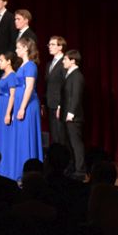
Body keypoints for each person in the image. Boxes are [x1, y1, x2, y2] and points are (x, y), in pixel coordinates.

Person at [14, 38, 43, 177]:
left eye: (18, 47)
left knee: (27, 136)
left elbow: (29, 87)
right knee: (21, 137)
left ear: (26, 48)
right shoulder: (22, 65)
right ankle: (22, 169)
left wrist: (22, 107)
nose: (16, 50)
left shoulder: (30, 65)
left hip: (28, 104)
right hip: (20, 102)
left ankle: (31, 173)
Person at [58, 49, 85, 179]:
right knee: (68, 143)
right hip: (66, 115)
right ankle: (73, 167)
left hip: (73, 117)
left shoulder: (77, 76)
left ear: (73, 60)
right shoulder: (68, 74)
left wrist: (71, 113)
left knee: (76, 144)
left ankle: (80, 171)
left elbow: (76, 96)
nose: (63, 61)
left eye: (65, 59)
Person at [0, 52, 19, 180]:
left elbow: (13, 96)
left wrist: (8, 113)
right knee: (2, 139)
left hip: (8, 107)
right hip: (2, 105)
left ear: (9, 61)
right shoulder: (3, 75)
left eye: (1, 60)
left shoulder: (12, 76)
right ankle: (2, 168)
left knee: (9, 139)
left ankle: (10, 169)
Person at [45, 36, 67, 144]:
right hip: (50, 104)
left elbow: (65, 85)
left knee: (61, 135)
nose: (50, 47)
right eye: (49, 44)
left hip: (59, 105)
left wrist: (60, 105)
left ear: (60, 47)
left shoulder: (64, 62)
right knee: (54, 135)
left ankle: (65, 159)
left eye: (53, 44)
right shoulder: (49, 64)